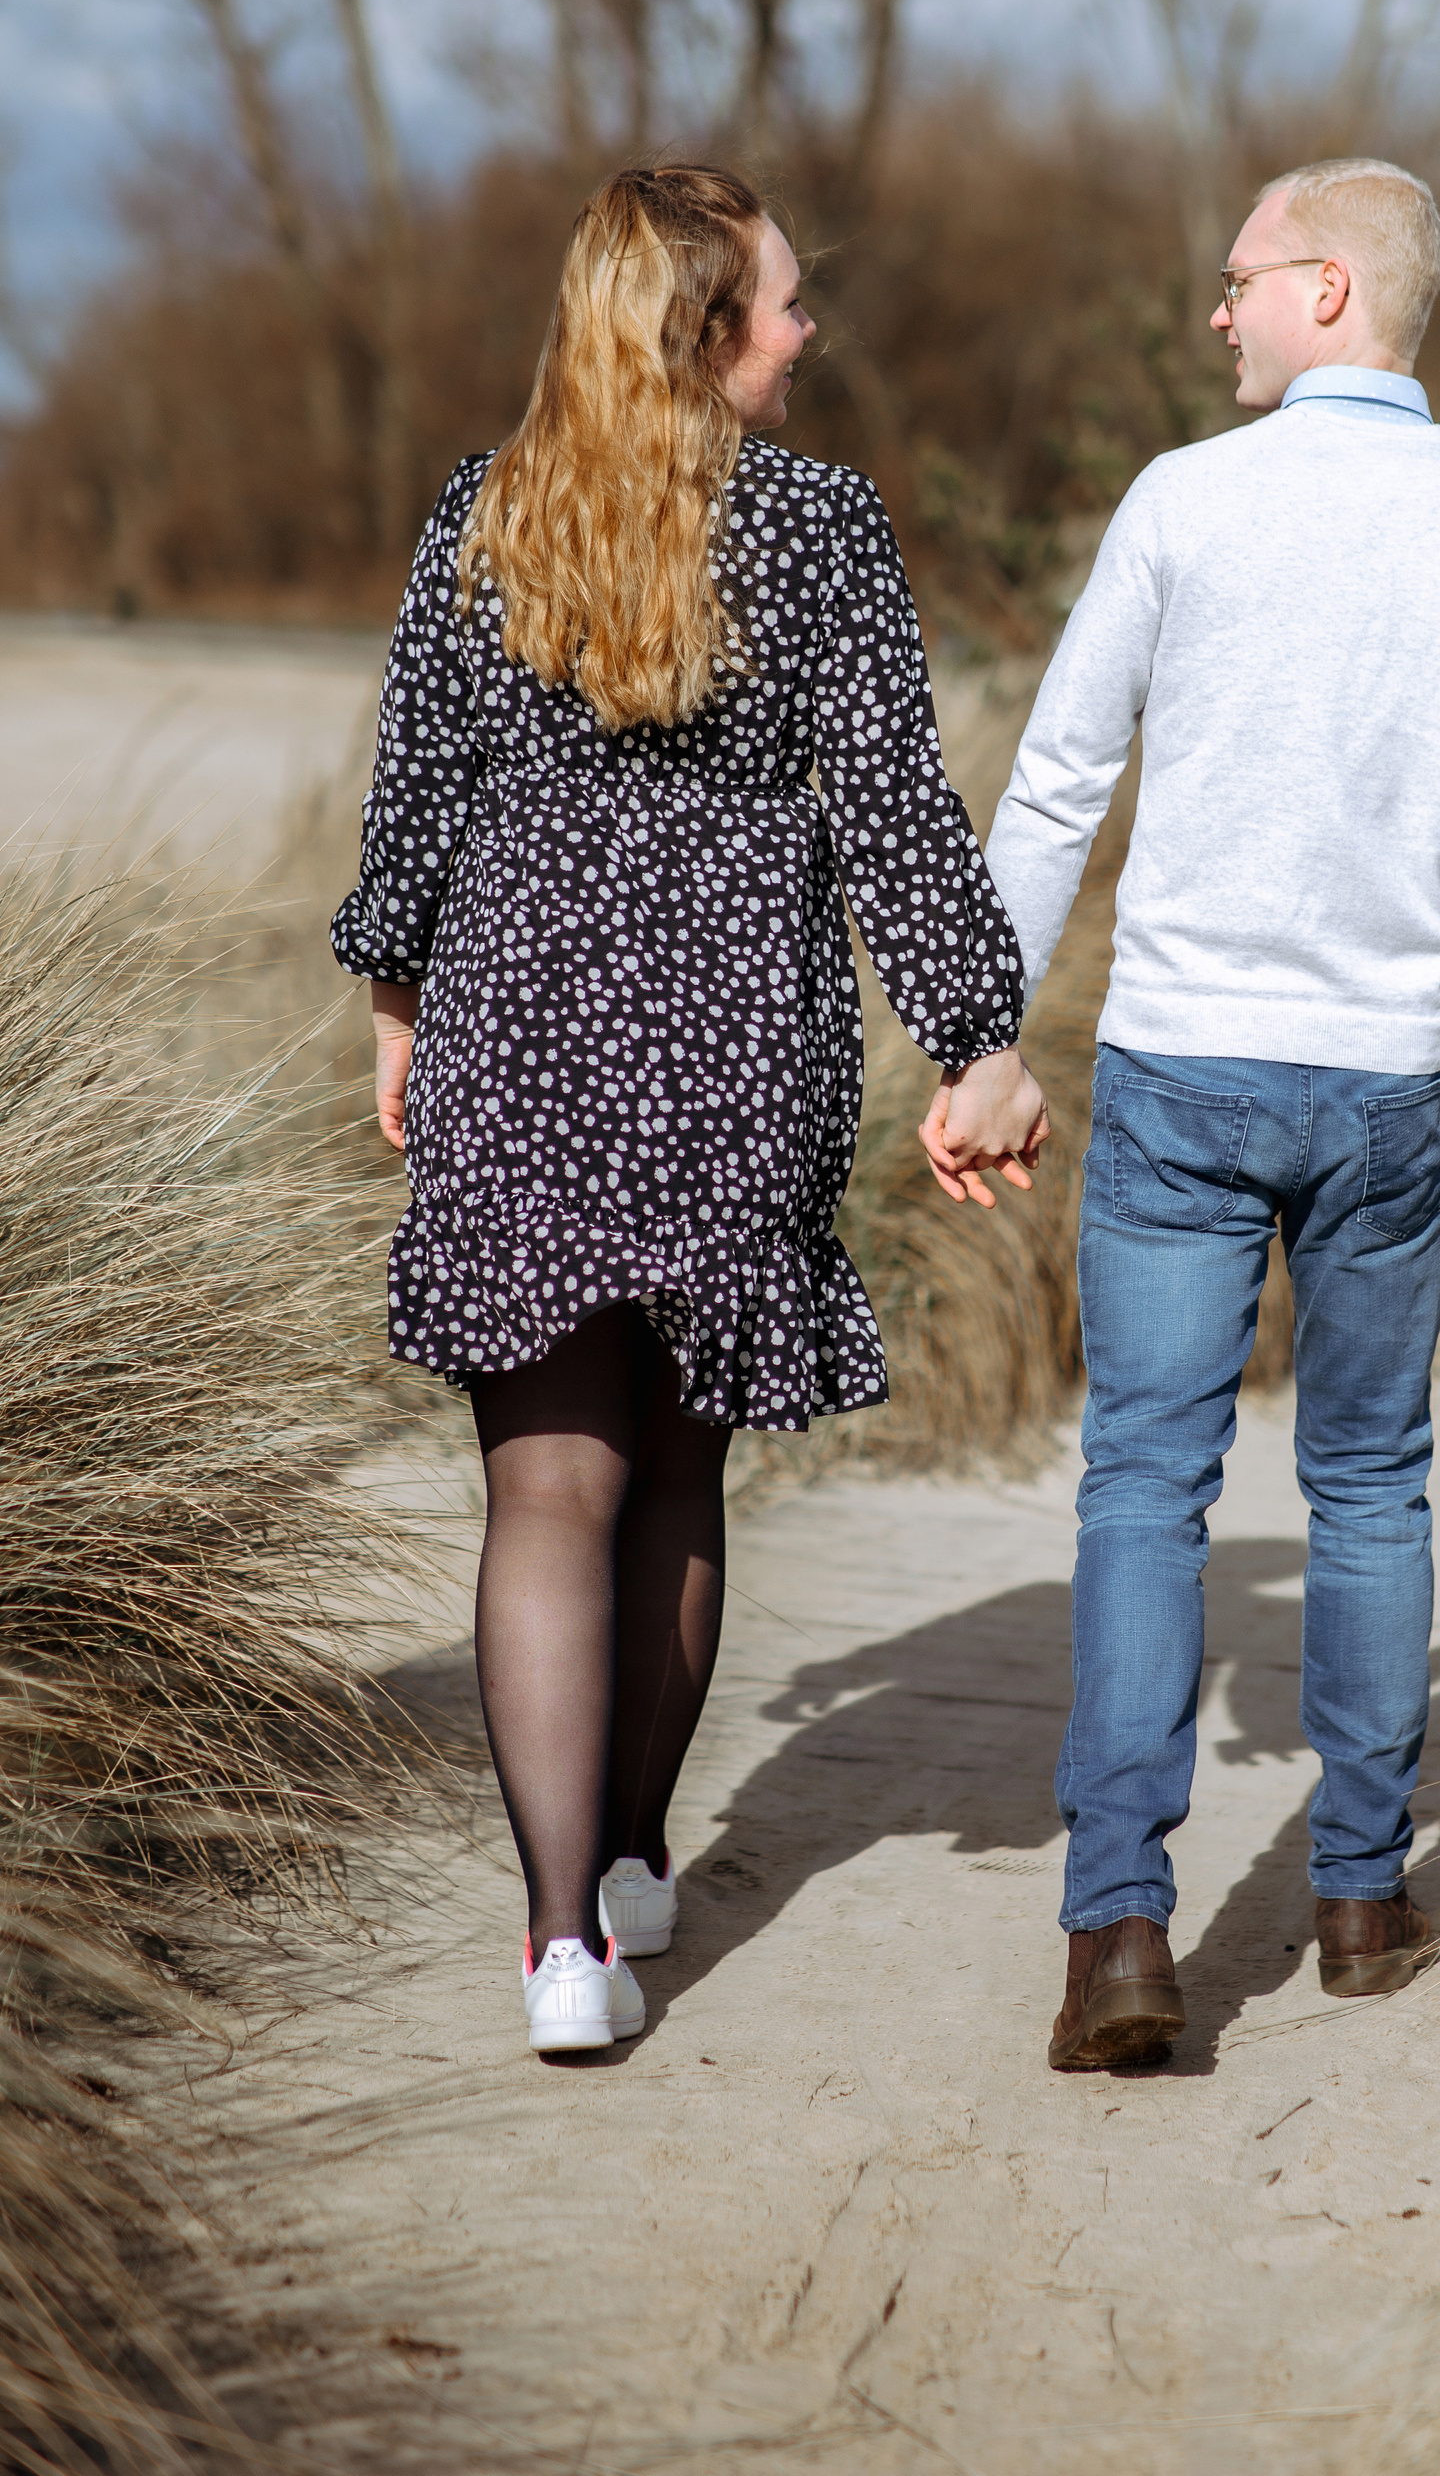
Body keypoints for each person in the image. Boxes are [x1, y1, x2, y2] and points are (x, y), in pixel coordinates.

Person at [925, 157, 1440, 2071]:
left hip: (1185, 1070)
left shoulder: (1185, 499)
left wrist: (983, 1043)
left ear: (1332, 289)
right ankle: (1361, 1901)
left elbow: (1057, 783)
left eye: (1241, 277)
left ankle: (1120, 1935)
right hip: (1393, 1081)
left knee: (1144, 1487)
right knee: (1372, 1483)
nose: (1217, 308)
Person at [331, 163, 1045, 2054]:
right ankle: (639, 1851)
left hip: (520, 1019)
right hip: (737, 1033)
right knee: (674, 1469)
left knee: (545, 1482)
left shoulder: (485, 512)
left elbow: (417, 791)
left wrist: (398, 1000)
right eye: (786, 304)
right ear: (705, 329)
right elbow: (894, 805)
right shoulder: (819, 526)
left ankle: (565, 1939)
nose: (810, 332)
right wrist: (975, 1036)